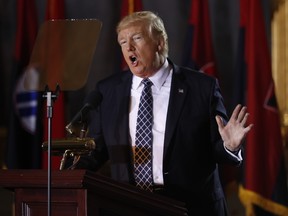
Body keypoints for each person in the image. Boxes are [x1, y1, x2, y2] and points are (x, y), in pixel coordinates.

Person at [80, 11, 253, 215]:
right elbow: (95, 150)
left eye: (136, 38)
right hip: (129, 205)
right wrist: (61, 180)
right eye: (123, 42)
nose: (129, 47)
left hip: (192, 207)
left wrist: (230, 147)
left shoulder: (201, 87)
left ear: (159, 43)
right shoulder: (108, 91)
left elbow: (218, 146)